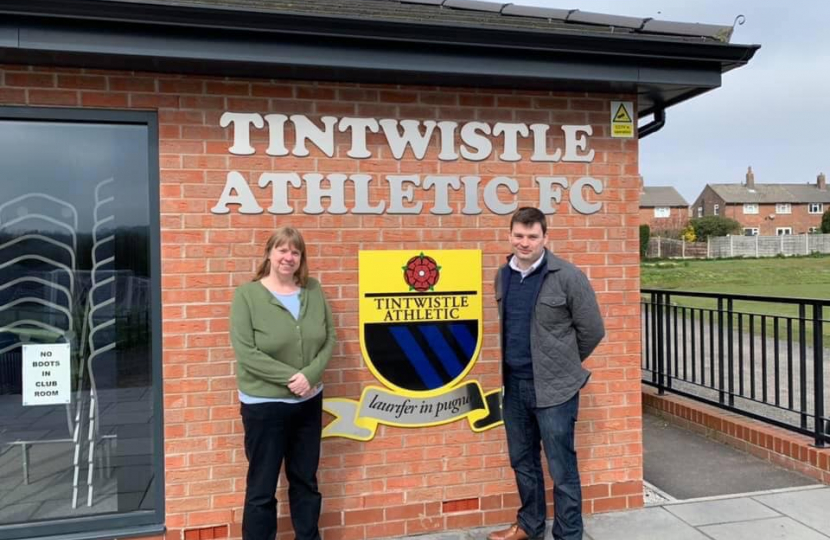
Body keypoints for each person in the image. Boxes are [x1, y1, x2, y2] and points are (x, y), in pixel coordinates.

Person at [488, 207, 605, 540]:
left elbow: (592, 330)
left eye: (532, 236)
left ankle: (568, 534)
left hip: (555, 390)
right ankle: (529, 525)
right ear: (510, 236)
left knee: (561, 467)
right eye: (519, 236)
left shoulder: (567, 276)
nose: (524, 243)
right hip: (514, 387)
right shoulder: (503, 275)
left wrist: (561, 363)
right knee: (523, 461)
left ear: (545, 238)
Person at [230, 226, 336, 540]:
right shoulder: (247, 295)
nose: (288, 257)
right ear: (269, 254)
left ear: (301, 258)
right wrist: (292, 379)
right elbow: (246, 352)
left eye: (295, 251)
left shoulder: (313, 290)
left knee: (306, 481)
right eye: (282, 250)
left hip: (308, 403)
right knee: (262, 488)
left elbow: (329, 338)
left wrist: (311, 376)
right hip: (264, 407)